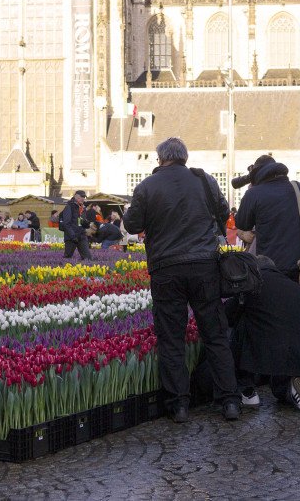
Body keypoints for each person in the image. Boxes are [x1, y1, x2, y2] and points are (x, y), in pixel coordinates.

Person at [123, 137, 241, 423]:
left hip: (166, 269)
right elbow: (223, 212)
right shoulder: (204, 180)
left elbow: (131, 225)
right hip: (204, 267)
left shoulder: (147, 186)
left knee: (171, 337)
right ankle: (229, 401)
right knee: (214, 334)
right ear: (185, 157)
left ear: (161, 158)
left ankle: (179, 406)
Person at [225, 256, 300, 412]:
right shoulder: (297, 289)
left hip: (265, 351)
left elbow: (228, 315)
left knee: (241, 323)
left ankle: (247, 391)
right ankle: (292, 387)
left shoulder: (252, 285)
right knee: (279, 389)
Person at [234, 155, 300, 281]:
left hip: (270, 266)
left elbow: (242, 223)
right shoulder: (298, 188)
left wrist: (251, 192)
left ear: (256, 174)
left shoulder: (254, 193)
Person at [60, 191, 92, 260]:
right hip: (72, 236)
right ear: (76, 197)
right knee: (67, 257)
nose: (83, 199)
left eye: (84, 197)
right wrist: (72, 236)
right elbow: (66, 223)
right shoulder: (69, 207)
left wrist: (86, 224)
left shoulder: (83, 208)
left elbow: (81, 221)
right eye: (81, 197)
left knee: (88, 258)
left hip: (82, 235)